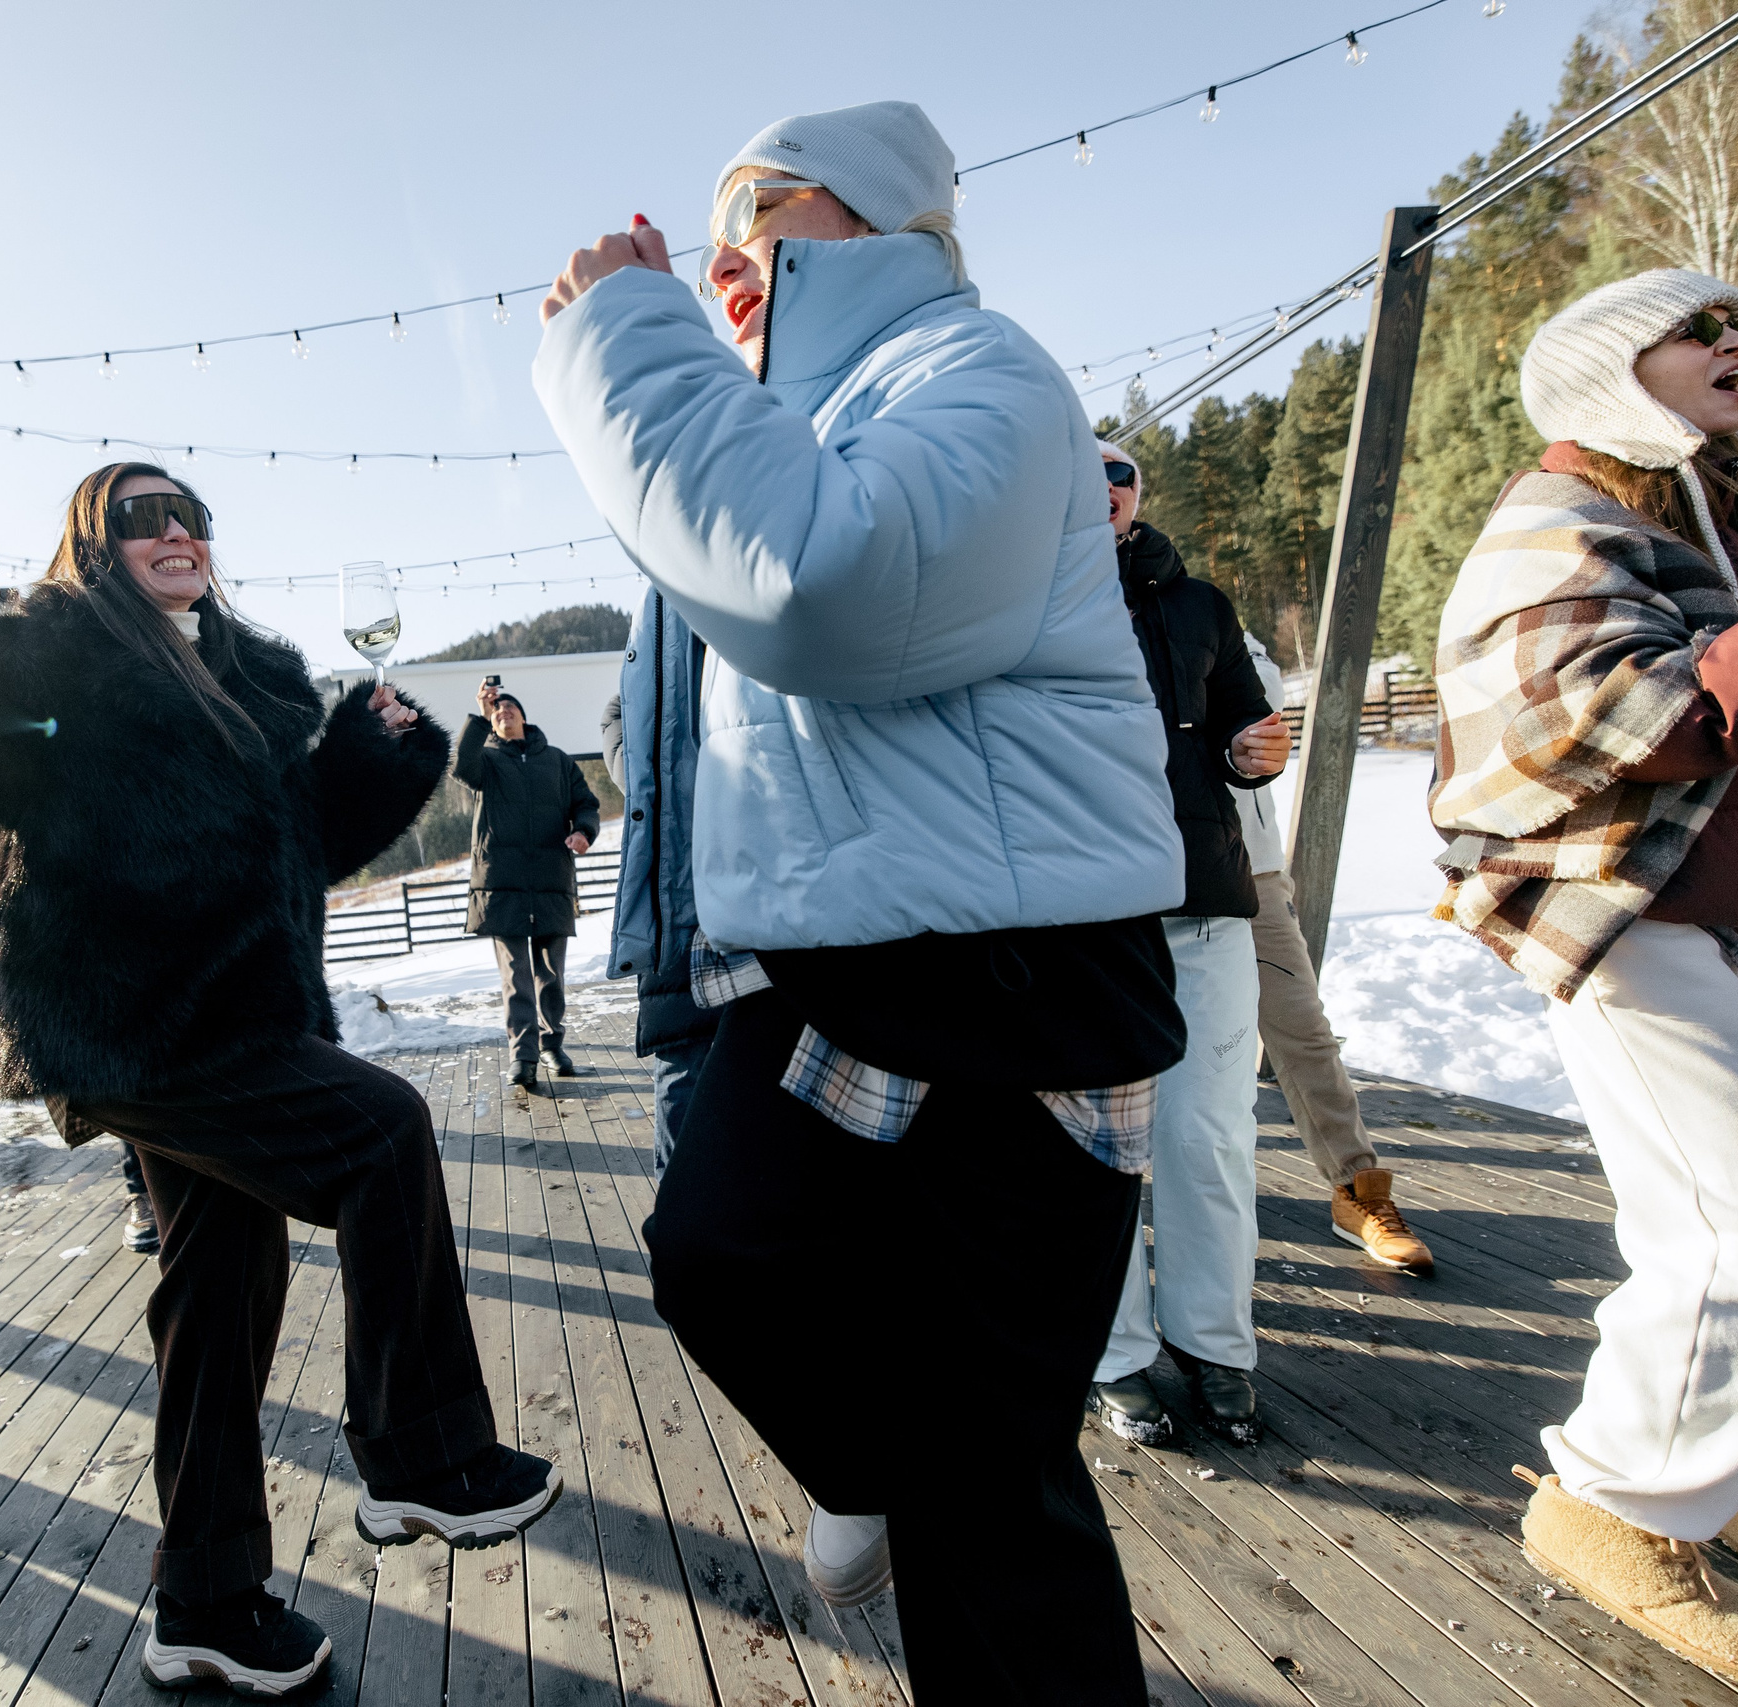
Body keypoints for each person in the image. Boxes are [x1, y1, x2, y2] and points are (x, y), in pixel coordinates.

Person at [536, 102, 1188, 1703]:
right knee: (718, 1254)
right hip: (840, 972)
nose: (721, 258)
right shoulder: (811, 427)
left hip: (1013, 974)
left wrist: (628, 334)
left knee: (1000, 1495)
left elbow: (824, 591)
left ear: (879, 215)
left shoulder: (979, 372)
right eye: (704, 240)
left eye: (757, 210)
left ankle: (943, 1489)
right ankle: (895, 1461)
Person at [0, 466, 562, 1699]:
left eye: (190, 517)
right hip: (129, 1027)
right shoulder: (41, 658)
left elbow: (300, 855)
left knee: (218, 1297)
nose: (174, 532)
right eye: (138, 517)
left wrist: (374, 759)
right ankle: (421, 1459)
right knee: (381, 1131)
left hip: (241, 1018)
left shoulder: (250, 673)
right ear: (88, 543)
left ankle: (206, 1604)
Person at [1432, 268, 1738, 1697]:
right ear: (1601, 368)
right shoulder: (1550, 518)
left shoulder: (1725, 501)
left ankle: (1731, 1471)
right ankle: (1616, 1506)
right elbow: (1628, 710)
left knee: (1700, 1232)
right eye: (1698, 332)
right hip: (1632, 925)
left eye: (1736, 325)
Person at [1087, 442, 1290, 1452]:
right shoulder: (1021, 599)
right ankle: (1114, 1356)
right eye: (1079, 472)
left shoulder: (1201, 604)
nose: (1104, 485)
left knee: (1208, 1137)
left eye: (1118, 470)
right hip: (1077, 914)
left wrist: (1257, 751)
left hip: (1202, 896)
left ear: (1139, 490)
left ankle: (1216, 1347)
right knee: (1100, 1147)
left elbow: (1243, 727)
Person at [1229, 629, 1435, 1277]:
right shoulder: (1066, 607)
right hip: (1132, 872)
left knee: (1303, 1029)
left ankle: (1357, 1188)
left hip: (1245, 865)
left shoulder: (1196, 604)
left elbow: (1260, 692)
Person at [599, 590, 716, 1175]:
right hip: (678, 928)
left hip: (738, 924)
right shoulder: (658, 615)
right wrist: (646, 778)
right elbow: (617, 718)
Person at [455, 684, 600, 1092]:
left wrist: (584, 832)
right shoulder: (486, 761)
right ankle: (524, 1055)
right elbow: (461, 765)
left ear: (523, 716)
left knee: (551, 975)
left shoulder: (557, 761)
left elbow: (585, 804)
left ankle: (553, 1045)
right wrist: (479, 716)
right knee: (516, 976)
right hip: (503, 884)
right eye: (496, 711)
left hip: (552, 880)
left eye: (509, 708)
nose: (503, 713)